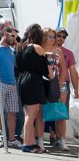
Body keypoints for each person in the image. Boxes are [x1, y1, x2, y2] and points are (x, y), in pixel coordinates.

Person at [16, 24, 53, 153]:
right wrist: (51, 70)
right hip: (33, 81)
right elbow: (46, 69)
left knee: (28, 113)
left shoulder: (20, 48)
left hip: (22, 80)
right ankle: (27, 144)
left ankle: (30, 143)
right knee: (31, 115)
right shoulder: (38, 48)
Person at [42, 27, 67, 151]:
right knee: (39, 112)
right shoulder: (39, 49)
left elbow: (63, 69)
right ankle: (39, 139)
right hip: (41, 84)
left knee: (60, 112)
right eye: (50, 36)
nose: (53, 39)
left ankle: (62, 140)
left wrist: (59, 84)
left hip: (56, 84)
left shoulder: (59, 51)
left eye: (54, 36)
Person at [55, 27, 78, 151]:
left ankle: (62, 140)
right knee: (52, 111)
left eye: (64, 37)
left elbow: (73, 72)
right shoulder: (46, 49)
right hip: (48, 84)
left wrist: (76, 89)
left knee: (61, 113)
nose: (61, 39)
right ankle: (56, 137)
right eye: (59, 35)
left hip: (63, 84)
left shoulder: (68, 53)